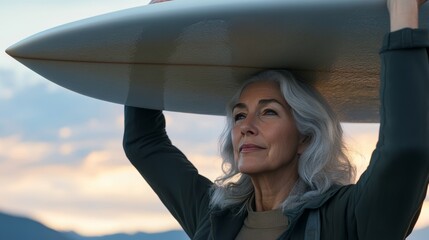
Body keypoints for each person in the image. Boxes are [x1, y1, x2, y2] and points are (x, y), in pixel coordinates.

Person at [123, 0, 429, 239]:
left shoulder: (347, 217)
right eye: (239, 115)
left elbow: (405, 150)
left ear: (306, 137)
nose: (245, 126)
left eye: (268, 111)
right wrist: (156, 32)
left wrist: (402, 17)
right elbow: (144, 143)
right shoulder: (214, 216)